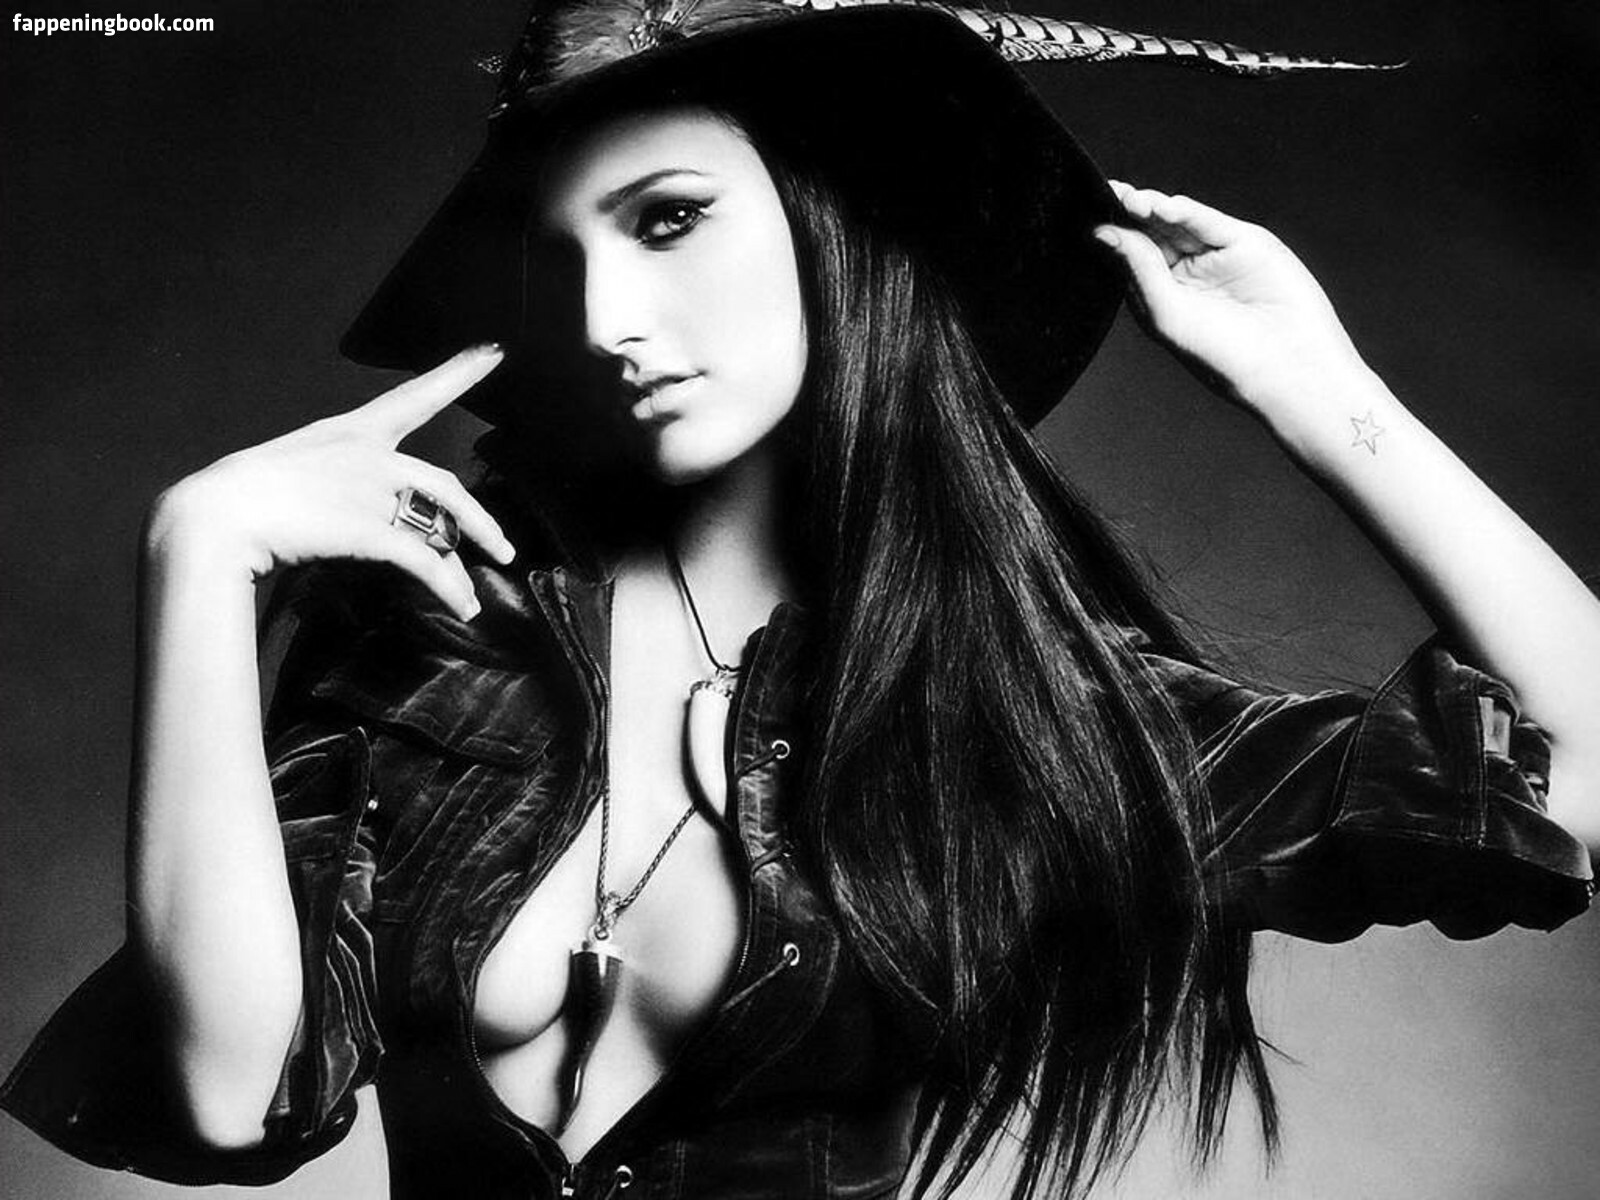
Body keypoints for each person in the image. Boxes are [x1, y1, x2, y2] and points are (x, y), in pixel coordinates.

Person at [3, 1, 1596, 1197]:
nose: (607, 315)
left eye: (669, 219)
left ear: (835, 219)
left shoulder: (1014, 715)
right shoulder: (431, 630)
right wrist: (196, 557)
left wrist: (1327, 399)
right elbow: (228, 1096)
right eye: (556, 256)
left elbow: (1575, 792)